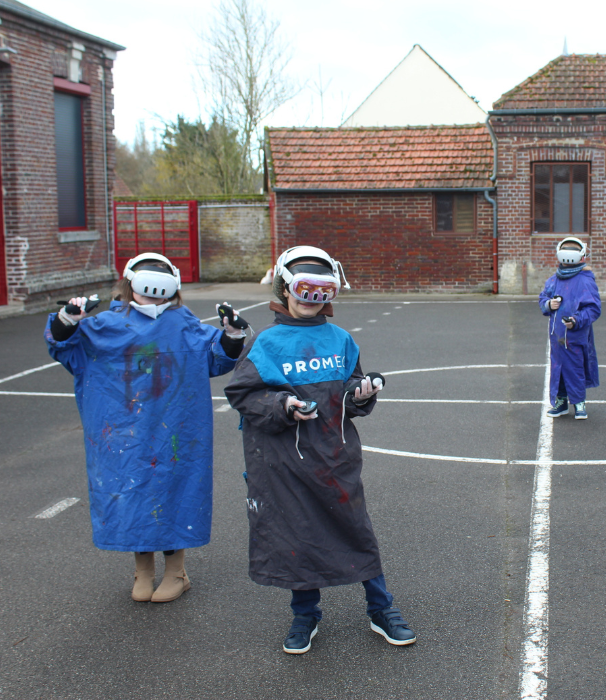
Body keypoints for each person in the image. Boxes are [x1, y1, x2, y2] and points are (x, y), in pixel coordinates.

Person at [225, 245, 416, 655]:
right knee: (299, 536)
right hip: (285, 465)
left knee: (356, 530)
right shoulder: (267, 344)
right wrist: (283, 406)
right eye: (302, 289)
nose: (311, 300)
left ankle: (381, 608)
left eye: (320, 291)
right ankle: (305, 614)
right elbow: (243, 395)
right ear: (284, 289)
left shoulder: (341, 340)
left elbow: (349, 393)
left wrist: (360, 394)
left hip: (333, 458)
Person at [44, 252, 247, 602]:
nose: (152, 296)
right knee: (132, 494)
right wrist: (67, 318)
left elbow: (216, 357)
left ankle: (176, 572)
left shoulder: (184, 324)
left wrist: (232, 334)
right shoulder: (104, 326)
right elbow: (64, 346)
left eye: (160, 290)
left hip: (175, 432)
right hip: (124, 433)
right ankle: (143, 571)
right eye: (145, 288)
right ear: (129, 285)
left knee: (175, 493)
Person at [538, 237, 602, 420]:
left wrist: (576, 320)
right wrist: (549, 304)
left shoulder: (585, 281)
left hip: (575, 336)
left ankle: (579, 403)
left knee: (575, 368)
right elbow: (543, 298)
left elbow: (593, 309)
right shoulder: (554, 280)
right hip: (557, 335)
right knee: (558, 369)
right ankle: (561, 402)